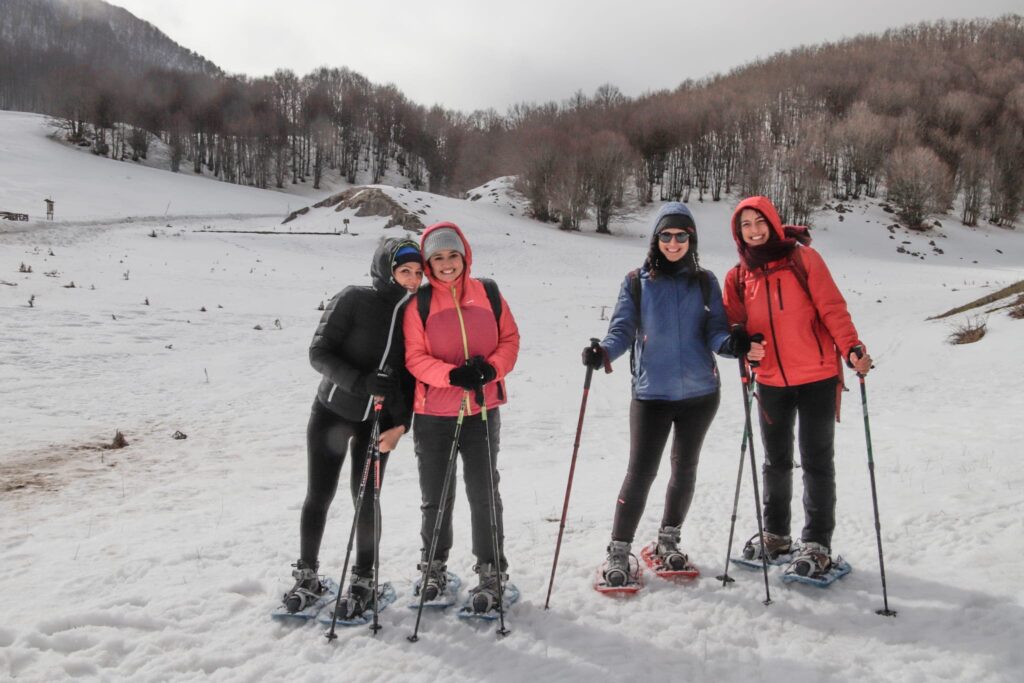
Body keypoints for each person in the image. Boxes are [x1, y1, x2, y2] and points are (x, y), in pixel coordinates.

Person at [582, 202, 747, 587]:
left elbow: (715, 331)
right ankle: (618, 551)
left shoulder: (705, 281)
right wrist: (603, 352)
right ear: (656, 239)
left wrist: (731, 344)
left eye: (682, 236)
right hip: (652, 394)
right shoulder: (637, 282)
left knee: (684, 469)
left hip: (701, 394)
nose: (674, 242)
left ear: (692, 240)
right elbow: (622, 329)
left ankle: (668, 541)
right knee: (640, 473)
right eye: (666, 235)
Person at [722, 195, 872, 579]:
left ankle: (817, 543)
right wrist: (742, 344)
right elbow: (734, 327)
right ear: (738, 233)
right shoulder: (738, 277)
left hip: (818, 377)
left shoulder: (803, 260)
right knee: (775, 462)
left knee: (817, 462)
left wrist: (852, 347)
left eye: (759, 222)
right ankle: (776, 535)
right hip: (770, 381)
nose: (754, 231)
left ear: (773, 222)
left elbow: (832, 309)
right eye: (746, 225)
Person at [281, 238, 423, 617]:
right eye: (403, 270)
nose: (410, 279)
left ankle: (363, 578)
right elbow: (319, 352)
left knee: (366, 498)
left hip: (378, 422)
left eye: (416, 272)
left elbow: (412, 378)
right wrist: (361, 382)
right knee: (319, 495)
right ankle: (307, 574)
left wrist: (401, 425)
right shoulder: (354, 299)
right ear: (385, 268)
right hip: (332, 412)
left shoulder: (417, 314)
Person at [403, 222, 520, 613]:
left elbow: (510, 340)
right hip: (434, 413)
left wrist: (490, 370)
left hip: (482, 410)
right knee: (436, 495)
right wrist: (451, 375)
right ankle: (433, 567)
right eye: (437, 258)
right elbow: (414, 358)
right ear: (428, 263)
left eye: (453, 255)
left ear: (464, 255)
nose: (447, 264)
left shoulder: (488, 292)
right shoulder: (418, 304)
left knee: (484, 491)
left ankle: (491, 571)